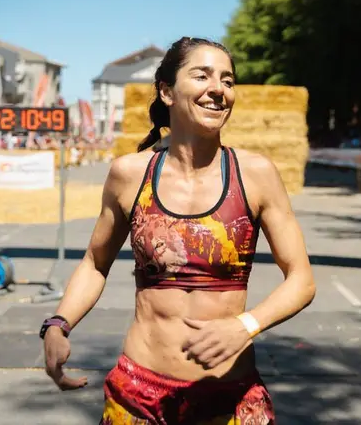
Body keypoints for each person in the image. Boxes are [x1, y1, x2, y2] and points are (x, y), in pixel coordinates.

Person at [41, 37, 317, 424]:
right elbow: (94, 263)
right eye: (202, 75)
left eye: (228, 80)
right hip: (138, 395)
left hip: (230, 396)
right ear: (167, 92)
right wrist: (58, 324)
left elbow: (302, 279)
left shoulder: (255, 175)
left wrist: (245, 325)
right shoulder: (130, 174)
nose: (218, 89)